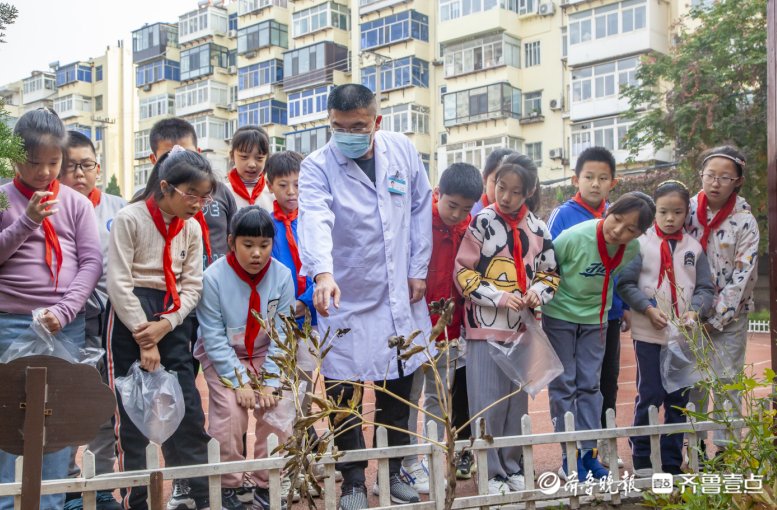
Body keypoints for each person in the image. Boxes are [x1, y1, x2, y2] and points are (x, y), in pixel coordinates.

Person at [298, 84, 432, 510]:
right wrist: (323, 273)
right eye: (339, 127)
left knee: (397, 391)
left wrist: (418, 270)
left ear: (377, 121)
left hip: (398, 293)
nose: (348, 134)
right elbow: (314, 217)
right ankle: (353, 478)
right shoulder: (317, 166)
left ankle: (392, 475)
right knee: (344, 396)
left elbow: (418, 208)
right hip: (345, 295)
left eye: (358, 126)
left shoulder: (403, 151)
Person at [0, 108, 102, 510]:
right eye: (34, 163)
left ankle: (53, 502)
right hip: (9, 323)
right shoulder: (3, 199)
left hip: (63, 326)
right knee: (8, 419)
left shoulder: (76, 204)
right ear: (14, 160)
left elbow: (91, 262)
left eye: (53, 163)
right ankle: (8, 502)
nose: (44, 173)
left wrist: (64, 310)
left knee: (57, 420)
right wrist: (26, 221)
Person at [106, 148, 217, 510]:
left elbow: (192, 286)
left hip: (172, 317)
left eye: (205, 197)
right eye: (191, 195)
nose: (198, 204)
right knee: (130, 418)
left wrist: (166, 324)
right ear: (165, 187)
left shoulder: (192, 228)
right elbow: (119, 282)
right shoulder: (130, 218)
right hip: (129, 317)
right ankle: (136, 502)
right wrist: (144, 333)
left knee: (187, 411)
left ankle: (199, 497)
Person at [454, 155, 560, 496]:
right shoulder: (481, 223)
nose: (507, 196)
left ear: (529, 191)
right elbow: (463, 273)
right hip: (485, 330)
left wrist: (536, 294)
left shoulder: (539, 228)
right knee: (488, 403)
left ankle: (512, 466)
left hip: (524, 330)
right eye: (502, 187)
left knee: (517, 403)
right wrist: (499, 296)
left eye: (516, 191)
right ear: (494, 183)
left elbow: (550, 273)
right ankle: (490, 471)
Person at [542, 192, 655, 482]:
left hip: (597, 320)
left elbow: (615, 277)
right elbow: (547, 271)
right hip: (560, 317)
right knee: (564, 384)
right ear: (609, 210)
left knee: (591, 386)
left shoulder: (630, 249)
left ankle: (588, 455)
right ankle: (569, 457)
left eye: (630, 229)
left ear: (640, 233)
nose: (619, 231)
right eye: (616, 219)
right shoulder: (573, 237)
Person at [195, 206, 295, 510]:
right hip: (226, 354)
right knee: (230, 410)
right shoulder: (212, 279)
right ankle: (229, 483)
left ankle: (266, 480)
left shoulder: (282, 276)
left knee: (278, 405)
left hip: (266, 353)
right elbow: (212, 336)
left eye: (264, 246)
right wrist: (238, 382)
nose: (257, 254)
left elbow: (283, 334)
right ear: (231, 241)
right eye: (248, 245)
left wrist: (270, 381)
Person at [617, 180, 715, 476]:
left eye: (677, 212)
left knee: (678, 398)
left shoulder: (694, 248)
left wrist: (695, 312)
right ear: (654, 211)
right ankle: (643, 454)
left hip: (683, 337)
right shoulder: (641, 243)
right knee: (650, 393)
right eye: (663, 211)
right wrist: (647, 307)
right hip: (649, 333)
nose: (670, 218)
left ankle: (672, 461)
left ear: (687, 213)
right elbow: (625, 283)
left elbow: (705, 288)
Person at [401, 162, 482, 494]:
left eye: (465, 208)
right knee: (408, 395)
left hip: (448, 330)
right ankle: (407, 462)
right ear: (437, 194)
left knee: (438, 397)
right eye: (451, 205)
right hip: (413, 328)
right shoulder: (416, 223)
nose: (457, 213)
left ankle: (434, 456)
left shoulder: (471, 231)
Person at [546, 146, 630, 468]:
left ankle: (595, 451)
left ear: (613, 182)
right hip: (566, 316)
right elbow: (548, 262)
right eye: (589, 177)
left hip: (604, 316)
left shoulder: (619, 218)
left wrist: (621, 308)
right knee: (565, 383)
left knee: (601, 383)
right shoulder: (563, 215)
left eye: (603, 178)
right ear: (575, 179)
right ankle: (569, 454)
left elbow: (623, 267)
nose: (595, 184)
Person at [59, 130, 125, 510]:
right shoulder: (52, 207)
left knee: (104, 402)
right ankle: (66, 484)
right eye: (70, 167)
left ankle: (100, 486)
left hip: (112, 319)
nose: (79, 173)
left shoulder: (119, 208)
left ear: (98, 168)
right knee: (65, 402)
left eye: (86, 165)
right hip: (68, 319)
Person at [685, 146, 759, 456]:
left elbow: (743, 275)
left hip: (730, 318)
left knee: (727, 381)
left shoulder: (745, 221)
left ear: (738, 180)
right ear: (701, 176)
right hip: (690, 317)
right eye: (710, 175)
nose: (715, 182)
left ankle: (726, 451)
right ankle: (695, 446)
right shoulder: (684, 211)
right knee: (694, 382)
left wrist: (718, 316)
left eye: (724, 177)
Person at [139, 117, 237, 269]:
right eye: (169, 157)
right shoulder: (145, 201)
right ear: (154, 159)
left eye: (187, 154)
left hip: (217, 282)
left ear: (198, 153)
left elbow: (235, 240)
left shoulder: (221, 192)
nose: (180, 165)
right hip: (172, 284)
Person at [225, 126, 274, 211]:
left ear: (266, 158)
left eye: (259, 158)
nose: (252, 164)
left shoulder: (274, 193)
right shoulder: (223, 192)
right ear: (232, 155)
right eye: (244, 157)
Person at [470, 148, 515, 216]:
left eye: (515, 190)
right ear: (484, 179)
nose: (505, 196)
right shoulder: (471, 213)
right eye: (499, 185)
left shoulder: (526, 218)